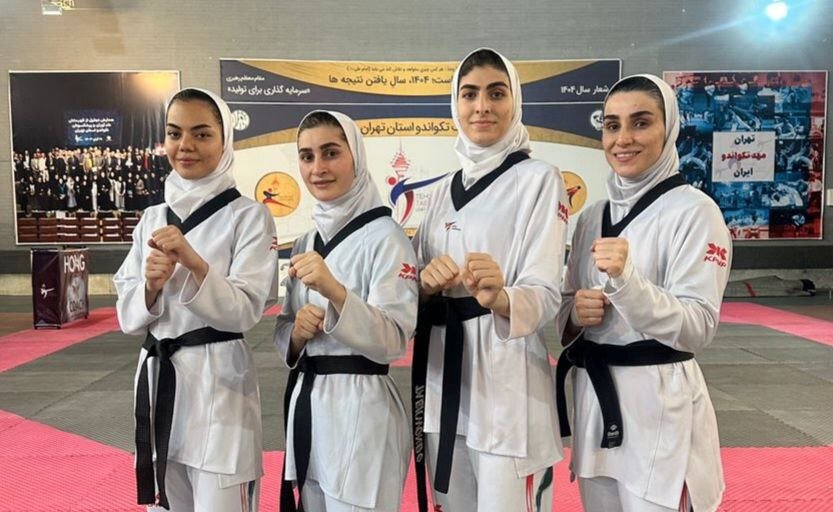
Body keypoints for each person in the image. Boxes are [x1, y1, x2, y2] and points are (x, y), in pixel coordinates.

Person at [555, 74, 731, 512]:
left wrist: (627, 282)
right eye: (612, 125)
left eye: (641, 122)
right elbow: (565, 309)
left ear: (669, 129)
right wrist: (575, 313)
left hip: (661, 406)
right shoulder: (592, 216)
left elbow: (698, 328)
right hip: (596, 402)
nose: (623, 139)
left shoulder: (696, 212)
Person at [412, 48, 568, 512]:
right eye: (470, 94)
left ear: (514, 101)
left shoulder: (539, 180)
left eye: (496, 93)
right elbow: (411, 288)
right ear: (455, 104)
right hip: (444, 376)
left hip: (507, 384)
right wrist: (424, 286)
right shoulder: (441, 191)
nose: (482, 106)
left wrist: (501, 296)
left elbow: (546, 292)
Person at [113, 87, 277, 512]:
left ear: (225, 142)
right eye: (174, 133)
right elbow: (127, 316)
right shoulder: (152, 218)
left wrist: (195, 265)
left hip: (220, 384)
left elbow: (247, 309)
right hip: (159, 375)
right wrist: (149, 288)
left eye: (201, 134)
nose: (185, 145)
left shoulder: (249, 216)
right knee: (165, 503)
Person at [275, 110, 417, 512]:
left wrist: (336, 293)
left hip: (363, 405)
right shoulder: (306, 240)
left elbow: (394, 340)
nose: (317, 168)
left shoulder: (387, 238)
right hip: (310, 403)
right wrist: (297, 334)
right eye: (307, 156)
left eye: (331, 153)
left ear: (356, 156)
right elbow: (284, 329)